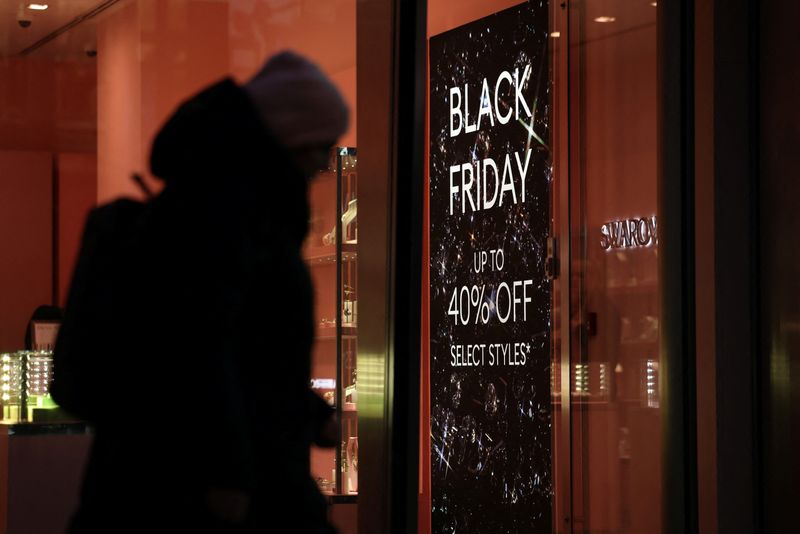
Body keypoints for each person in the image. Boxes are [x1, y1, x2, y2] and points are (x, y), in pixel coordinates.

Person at [54, 51, 348, 533]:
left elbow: (243, 350)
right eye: (319, 146)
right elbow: (200, 347)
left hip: (176, 477)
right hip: (198, 487)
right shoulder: (222, 218)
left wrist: (308, 412)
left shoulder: (228, 208)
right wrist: (227, 471)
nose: (321, 162)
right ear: (289, 139)